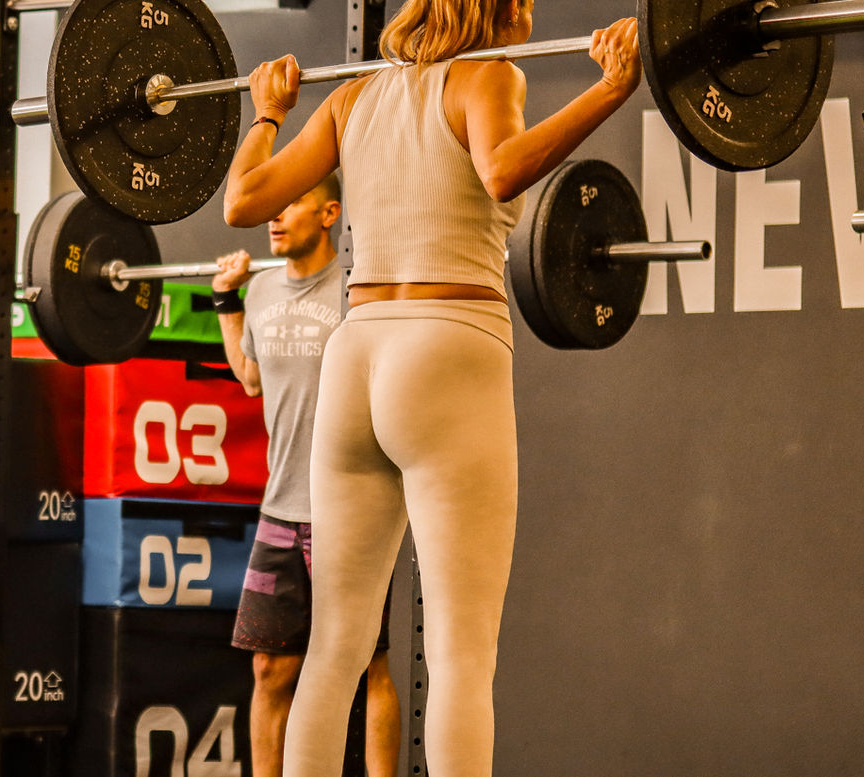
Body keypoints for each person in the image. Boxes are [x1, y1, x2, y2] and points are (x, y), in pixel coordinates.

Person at [220, 1, 640, 776]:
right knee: (459, 654)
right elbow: (503, 169)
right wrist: (610, 89)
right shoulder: (490, 77)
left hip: (358, 353)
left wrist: (268, 114)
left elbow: (241, 202)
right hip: (447, 345)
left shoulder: (352, 99)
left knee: (335, 646)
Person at [217, 173, 401, 777]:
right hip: (280, 512)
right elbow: (249, 378)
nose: (272, 216)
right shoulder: (264, 291)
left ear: (329, 214)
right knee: (270, 669)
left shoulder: (357, 292)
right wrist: (226, 301)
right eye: (269, 206)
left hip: (347, 515)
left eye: (289, 202)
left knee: (366, 662)